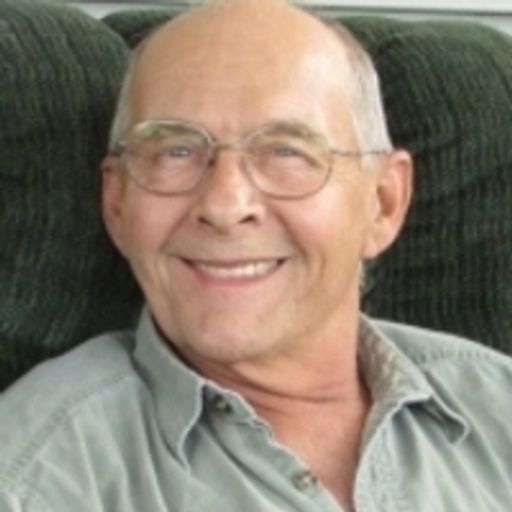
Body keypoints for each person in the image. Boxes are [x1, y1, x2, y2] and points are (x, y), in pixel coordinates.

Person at [1, 1, 511, 510]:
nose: (224, 206)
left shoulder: (498, 406)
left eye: (287, 151)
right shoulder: (35, 479)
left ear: (383, 202)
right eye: (176, 150)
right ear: (117, 205)